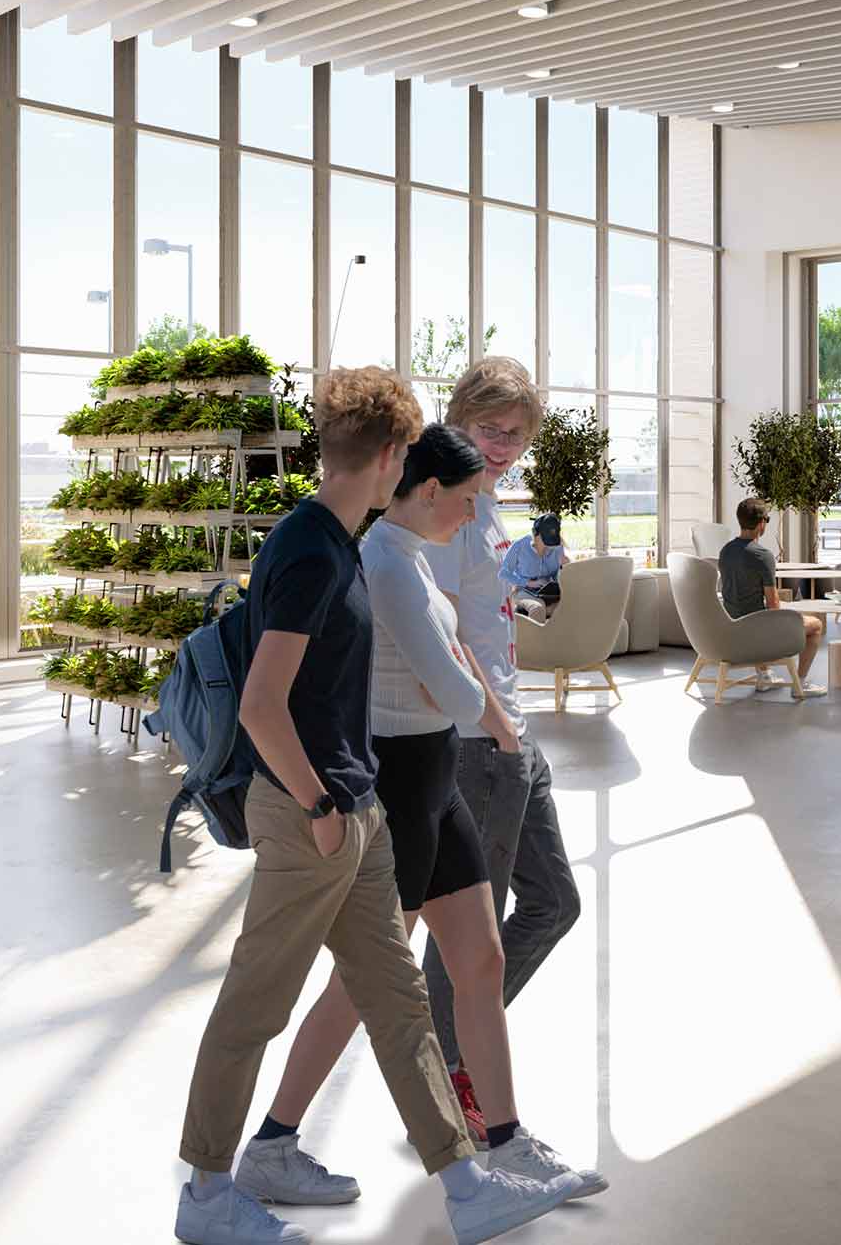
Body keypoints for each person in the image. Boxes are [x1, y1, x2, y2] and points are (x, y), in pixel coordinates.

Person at [173, 373, 577, 1245]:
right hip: (313, 812)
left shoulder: (337, 540)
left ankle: (470, 1185)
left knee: (397, 1001)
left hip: (360, 808)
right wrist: (321, 802)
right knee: (257, 1005)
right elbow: (262, 704)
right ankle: (208, 1195)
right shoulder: (323, 551)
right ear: (397, 457)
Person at [256, 422, 604, 1207]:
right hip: (400, 787)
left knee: (480, 962)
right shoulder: (385, 561)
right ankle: (274, 1141)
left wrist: (471, 695)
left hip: (438, 782)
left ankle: (511, 1139)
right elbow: (450, 691)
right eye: (470, 499)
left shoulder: (410, 559)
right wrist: (467, 695)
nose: (474, 516)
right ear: (430, 488)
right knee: (364, 986)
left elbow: (453, 663)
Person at [418, 361, 587, 1162]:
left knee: (554, 903)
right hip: (481, 742)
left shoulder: (484, 507)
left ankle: (449, 1054)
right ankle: (457, 1078)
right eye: (490, 429)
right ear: (458, 418)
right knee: (467, 935)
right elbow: (440, 632)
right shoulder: (442, 505)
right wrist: (498, 726)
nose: (504, 445)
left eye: (517, 433)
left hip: (513, 730)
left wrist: (532, 577)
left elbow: (491, 610)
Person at [720, 497, 824, 692]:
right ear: (761, 523)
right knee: (816, 625)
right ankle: (799, 684)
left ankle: (765, 675)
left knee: (760, 612)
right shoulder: (762, 556)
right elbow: (773, 605)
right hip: (757, 632)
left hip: (732, 627)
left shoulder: (725, 551)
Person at [498, 511, 565, 606]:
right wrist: (528, 583)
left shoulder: (557, 547)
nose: (548, 546)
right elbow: (503, 573)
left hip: (549, 594)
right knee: (537, 608)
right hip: (523, 590)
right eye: (545, 540)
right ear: (535, 533)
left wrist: (562, 572)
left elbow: (557, 573)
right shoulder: (520, 546)